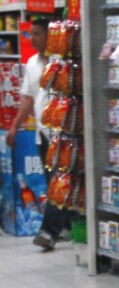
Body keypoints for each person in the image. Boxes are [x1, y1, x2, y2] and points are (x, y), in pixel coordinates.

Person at [5, 18, 70, 250]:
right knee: (52, 182)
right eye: (30, 34)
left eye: (36, 34)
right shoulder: (32, 63)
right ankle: (67, 226)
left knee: (57, 184)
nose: (31, 39)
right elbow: (27, 99)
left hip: (63, 134)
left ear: (50, 36)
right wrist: (15, 127)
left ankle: (49, 232)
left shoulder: (62, 62)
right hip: (42, 134)